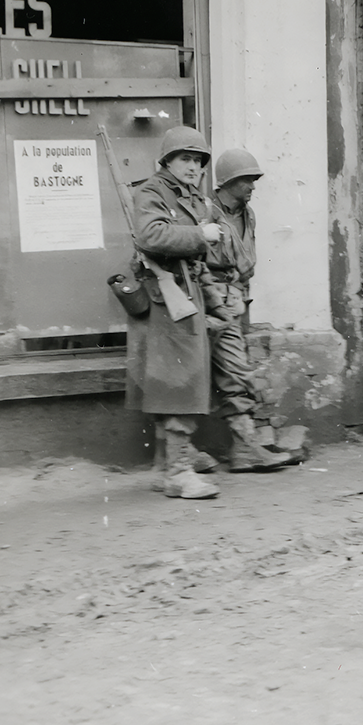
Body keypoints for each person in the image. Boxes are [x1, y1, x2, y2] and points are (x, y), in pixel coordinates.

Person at [124, 126, 225, 500]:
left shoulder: (192, 196)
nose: (194, 166)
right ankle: (178, 472)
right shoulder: (152, 192)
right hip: (165, 301)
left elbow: (197, 262)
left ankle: (163, 467)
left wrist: (216, 303)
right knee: (180, 383)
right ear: (167, 161)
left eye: (198, 160)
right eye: (185, 158)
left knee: (174, 381)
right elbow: (151, 236)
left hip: (184, 295)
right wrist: (201, 234)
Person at [206, 148, 296, 472]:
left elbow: (245, 263)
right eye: (247, 180)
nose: (253, 186)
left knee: (235, 372)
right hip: (208, 301)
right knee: (219, 373)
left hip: (235, 300)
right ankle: (240, 448)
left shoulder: (249, 214)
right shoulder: (205, 212)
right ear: (229, 181)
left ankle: (248, 445)